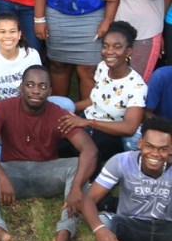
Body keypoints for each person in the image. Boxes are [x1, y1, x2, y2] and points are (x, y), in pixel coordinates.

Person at [0, 65, 98, 241]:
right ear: (21, 87)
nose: (36, 91)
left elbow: (89, 149)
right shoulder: (3, 108)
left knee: (78, 165)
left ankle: (64, 235)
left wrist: (76, 188)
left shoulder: (58, 114)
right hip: (13, 174)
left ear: (50, 91)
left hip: (46, 174)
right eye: (30, 85)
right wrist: (2, 177)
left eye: (42, 86)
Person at [81, 116, 172, 241]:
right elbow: (88, 200)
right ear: (140, 143)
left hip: (166, 231)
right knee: (106, 222)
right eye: (149, 146)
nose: (155, 154)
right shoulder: (121, 161)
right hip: (130, 230)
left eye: (163, 149)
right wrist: (99, 231)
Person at [62, 21, 148, 169]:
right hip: (87, 119)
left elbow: (129, 128)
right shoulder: (103, 67)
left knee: (85, 150)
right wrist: (68, 109)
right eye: (105, 46)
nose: (109, 51)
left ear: (129, 51)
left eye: (117, 46)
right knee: (58, 136)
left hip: (109, 133)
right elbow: (95, 100)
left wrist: (88, 123)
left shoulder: (136, 86)